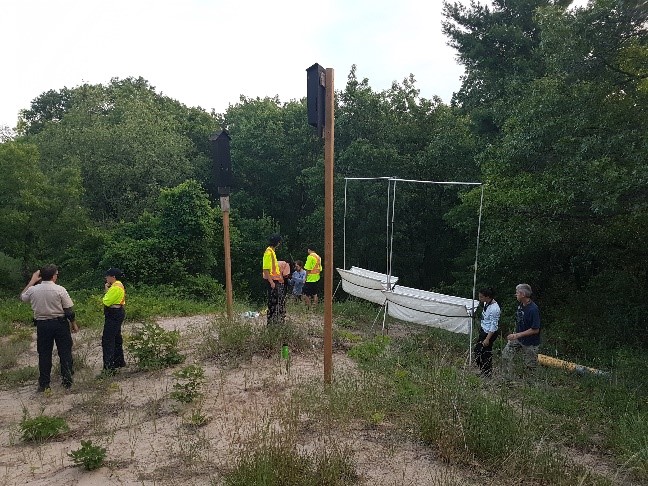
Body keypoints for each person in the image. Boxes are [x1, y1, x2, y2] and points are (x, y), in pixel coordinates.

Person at [20, 264, 79, 392]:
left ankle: (44, 383)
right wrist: (73, 323)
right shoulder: (60, 289)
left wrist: (32, 280)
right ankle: (67, 380)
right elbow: (68, 310)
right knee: (65, 352)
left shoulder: (33, 290)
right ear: (53, 276)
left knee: (44, 353)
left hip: (42, 325)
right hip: (60, 323)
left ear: (41, 277)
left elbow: (22, 296)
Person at [502, 283, 541, 380]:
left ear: (523, 294)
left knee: (530, 365)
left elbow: (535, 329)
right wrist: (515, 334)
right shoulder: (520, 306)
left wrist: (518, 335)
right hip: (518, 338)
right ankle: (507, 379)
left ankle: (530, 386)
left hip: (530, 342)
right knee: (506, 355)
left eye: (517, 293)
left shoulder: (533, 309)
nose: (516, 295)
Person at [101, 268, 126, 375]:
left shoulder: (115, 287)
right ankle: (119, 361)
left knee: (107, 340)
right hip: (118, 312)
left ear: (113, 277)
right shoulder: (118, 285)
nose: (106, 278)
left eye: (107, 276)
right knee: (116, 337)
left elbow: (106, 301)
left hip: (113, 312)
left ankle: (109, 368)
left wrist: (106, 290)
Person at [474, 287, 500, 377]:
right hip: (483, 330)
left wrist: (487, 339)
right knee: (478, 352)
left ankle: (487, 373)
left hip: (489, 333)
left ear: (487, 297)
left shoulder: (494, 309)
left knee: (485, 353)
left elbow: (494, 325)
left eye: (481, 297)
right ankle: (483, 370)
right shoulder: (486, 303)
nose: (479, 299)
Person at [262, 234, 285, 325]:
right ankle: (271, 323)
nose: (279, 244)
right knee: (272, 302)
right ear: (277, 242)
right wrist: (271, 282)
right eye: (279, 242)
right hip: (272, 280)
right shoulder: (268, 252)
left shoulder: (272, 251)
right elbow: (265, 269)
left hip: (275, 280)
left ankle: (276, 321)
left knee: (277, 302)